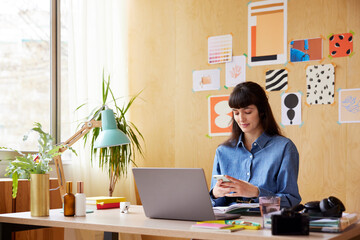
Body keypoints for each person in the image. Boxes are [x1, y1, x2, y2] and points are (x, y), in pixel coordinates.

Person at [210, 81, 301, 208]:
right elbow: (213, 204)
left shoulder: (284, 148)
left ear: (262, 111)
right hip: (229, 224)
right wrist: (215, 194)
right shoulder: (223, 151)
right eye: (236, 113)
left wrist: (256, 192)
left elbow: (291, 200)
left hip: (266, 223)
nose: (241, 119)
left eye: (247, 112)